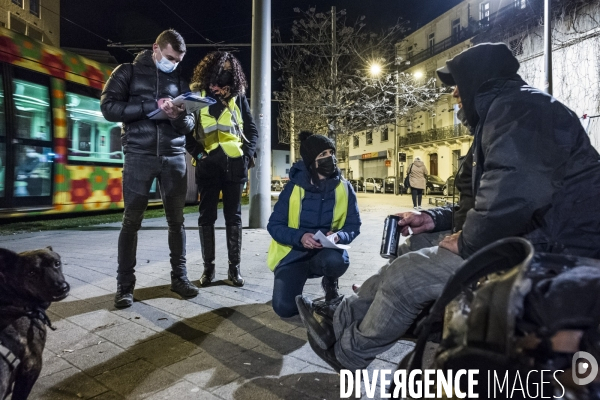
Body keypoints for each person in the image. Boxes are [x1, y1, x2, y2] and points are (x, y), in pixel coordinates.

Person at [296, 42, 600, 371]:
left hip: (553, 253)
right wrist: (432, 218)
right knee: (412, 246)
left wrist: (468, 240)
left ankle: (348, 353)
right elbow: (484, 197)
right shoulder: (504, 112)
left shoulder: (522, 110)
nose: (454, 93)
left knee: (407, 276)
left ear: (477, 80)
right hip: (525, 237)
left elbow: (518, 193)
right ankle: (340, 320)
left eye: (457, 84)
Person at [101, 29, 198, 308]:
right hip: (138, 155)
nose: (174, 64)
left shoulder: (180, 80)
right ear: (156, 48)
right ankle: (124, 287)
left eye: (179, 60)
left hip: (173, 156)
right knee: (131, 222)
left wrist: (178, 117)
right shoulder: (127, 72)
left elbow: (190, 125)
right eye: (170, 58)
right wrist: (149, 106)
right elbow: (108, 108)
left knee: (177, 222)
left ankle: (180, 278)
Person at [267, 131, 361, 319]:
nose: (330, 158)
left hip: (325, 253)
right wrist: (300, 237)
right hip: (293, 255)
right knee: (284, 308)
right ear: (311, 161)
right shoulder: (293, 187)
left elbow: (354, 224)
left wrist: (338, 236)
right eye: (322, 155)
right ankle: (294, 286)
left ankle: (330, 283)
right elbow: (274, 225)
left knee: (337, 261)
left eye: (330, 152)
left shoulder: (344, 187)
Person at [186, 52, 258, 288]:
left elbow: (252, 131)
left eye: (228, 69)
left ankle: (234, 269)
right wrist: (199, 155)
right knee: (206, 217)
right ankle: (208, 270)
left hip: (234, 165)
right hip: (207, 166)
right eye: (220, 68)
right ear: (209, 70)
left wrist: (246, 155)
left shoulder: (238, 97)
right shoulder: (198, 97)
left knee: (233, 217)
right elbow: (186, 133)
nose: (224, 73)